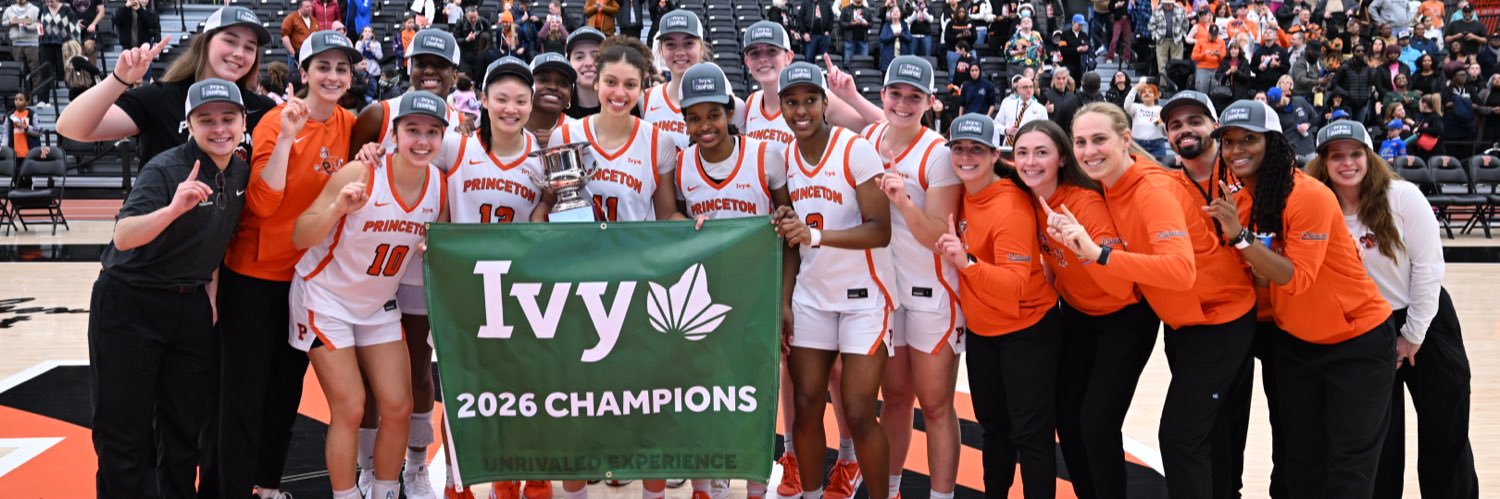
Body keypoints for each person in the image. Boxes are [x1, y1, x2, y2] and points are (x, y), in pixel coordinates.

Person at [1045, 102, 1256, 499]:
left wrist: (1099, 254)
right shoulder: (1113, 185)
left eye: (1100, 140)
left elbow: (1180, 270)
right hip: (1188, 323)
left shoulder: (1152, 191)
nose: (1089, 151)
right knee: (1207, 436)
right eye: (1081, 142)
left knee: (1180, 438)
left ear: (1126, 139)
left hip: (1219, 322)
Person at [1204, 108, 1396, 499]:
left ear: (1272, 142)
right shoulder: (1243, 200)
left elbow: (1295, 277)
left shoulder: (1309, 195)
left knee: (1348, 464)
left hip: (1356, 341)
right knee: (1301, 461)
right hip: (1296, 343)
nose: (1236, 149)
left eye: (1249, 139)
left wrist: (1241, 238)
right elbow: (1258, 275)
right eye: (1228, 141)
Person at [214, 30, 362, 499]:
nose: (333, 76)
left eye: (342, 68)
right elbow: (261, 202)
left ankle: (267, 485)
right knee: (242, 396)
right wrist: (286, 141)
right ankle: (230, 489)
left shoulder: (350, 124)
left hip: (309, 282)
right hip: (256, 277)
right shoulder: (276, 122)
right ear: (304, 73)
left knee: (285, 392)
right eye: (323, 67)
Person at [88, 79, 249, 499]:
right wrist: (173, 209)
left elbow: (220, 237)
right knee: (125, 432)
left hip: (189, 306)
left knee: (183, 431)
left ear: (243, 122)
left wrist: (210, 295)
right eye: (206, 120)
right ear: (188, 125)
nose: (219, 129)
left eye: (228, 118)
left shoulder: (240, 170)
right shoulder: (166, 169)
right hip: (130, 302)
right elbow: (123, 236)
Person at [539, 36, 685, 498]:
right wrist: (537, 232)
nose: (619, 93)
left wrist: (701, 225)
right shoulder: (567, 134)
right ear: (595, 81)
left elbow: (666, 215)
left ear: (644, 87)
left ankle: (653, 492)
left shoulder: (657, 141)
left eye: (630, 84)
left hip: (636, 285)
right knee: (577, 402)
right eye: (610, 82)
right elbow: (548, 205)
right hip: (578, 287)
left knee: (646, 401)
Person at [1304, 122, 1479, 499]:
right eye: (1336, 155)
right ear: (1323, 162)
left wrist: (1413, 335)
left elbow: (1429, 267)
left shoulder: (1401, 196)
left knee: (1444, 428)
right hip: (1365, 330)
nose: (1347, 163)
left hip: (1424, 317)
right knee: (1378, 438)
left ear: (1369, 156)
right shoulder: (1315, 206)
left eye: (1355, 153)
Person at [289, 90, 447, 499]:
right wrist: (338, 209)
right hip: (324, 299)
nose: (422, 140)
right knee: (352, 406)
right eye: (413, 130)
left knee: (398, 407)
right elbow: (300, 234)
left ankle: (384, 491)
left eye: (432, 132)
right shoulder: (359, 174)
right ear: (394, 134)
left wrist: (437, 250)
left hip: (377, 305)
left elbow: (440, 244)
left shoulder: (438, 186)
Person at [667, 60, 793, 499]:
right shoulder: (682, 165)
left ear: (730, 113)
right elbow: (671, 220)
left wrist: (783, 299)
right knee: (704, 389)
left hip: (756, 293)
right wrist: (684, 221)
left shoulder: (765, 155)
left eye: (713, 115)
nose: (705, 126)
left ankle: (756, 478)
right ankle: (708, 478)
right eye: (694, 117)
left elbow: (787, 229)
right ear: (684, 121)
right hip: (704, 296)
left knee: (756, 390)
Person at [769, 60, 894, 499]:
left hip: (864, 297)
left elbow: (881, 229)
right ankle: (811, 493)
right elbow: (788, 239)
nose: (800, 110)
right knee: (804, 407)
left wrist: (815, 235)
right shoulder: (782, 157)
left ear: (825, 103)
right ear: (781, 106)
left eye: (809, 100)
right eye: (791, 102)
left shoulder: (854, 148)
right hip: (812, 297)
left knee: (860, 411)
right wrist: (784, 301)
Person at [346, 27, 462, 499]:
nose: (430, 72)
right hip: (370, 260)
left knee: (417, 366)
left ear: (455, 74)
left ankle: (415, 465)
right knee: (370, 371)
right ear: (407, 65)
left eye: (440, 65)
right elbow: (346, 167)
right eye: (422, 63)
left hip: (415, 264)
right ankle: (368, 465)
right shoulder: (380, 112)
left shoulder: (462, 123)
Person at [931, 113, 1057, 498]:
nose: (966, 156)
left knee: (1030, 434)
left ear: (992, 154)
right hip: (985, 333)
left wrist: (966, 261)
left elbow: (1015, 286)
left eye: (976, 149)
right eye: (959, 148)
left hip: (1027, 330)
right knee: (993, 428)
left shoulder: (1009, 207)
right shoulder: (967, 194)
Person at [854, 56, 963, 499]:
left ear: (930, 102)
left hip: (932, 291)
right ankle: (891, 488)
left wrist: (903, 201)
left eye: (914, 96)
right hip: (888, 292)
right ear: (882, 95)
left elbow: (939, 235)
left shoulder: (939, 155)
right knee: (894, 399)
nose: (903, 103)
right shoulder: (868, 137)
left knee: (936, 406)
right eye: (895, 93)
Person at [57, 5, 273, 190]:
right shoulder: (161, 97)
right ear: (206, 42)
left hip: (222, 236)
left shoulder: (262, 110)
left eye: (249, 48)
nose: (239, 53)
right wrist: (119, 79)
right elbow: (71, 128)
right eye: (230, 41)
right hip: (157, 234)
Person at [643, 10, 745, 152]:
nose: (679, 52)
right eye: (670, 45)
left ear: (701, 48)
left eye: (688, 43)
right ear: (661, 50)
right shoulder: (646, 100)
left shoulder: (732, 107)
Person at [524, 53, 577, 148]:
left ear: (570, 96)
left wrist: (565, 141)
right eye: (543, 80)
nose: (553, 87)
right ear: (527, 87)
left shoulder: (577, 132)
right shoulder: (508, 123)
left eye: (563, 83)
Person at [993, 75, 1047, 146]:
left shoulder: (1041, 109)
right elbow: (996, 124)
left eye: (1031, 87)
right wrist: (1006, 130)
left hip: (1029, 147)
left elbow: (1045, 131)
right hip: (1008, 147)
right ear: (1018, 89)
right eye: (1025, 87)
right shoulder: (1007, 105)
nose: (1029, 90)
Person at [565, 27, 606, 120]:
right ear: (569, 63)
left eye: (596, 56)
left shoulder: (625, 107)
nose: (588, 63)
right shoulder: (556, 111)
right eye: (579, 57)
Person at [1122, 80, 1165, 158]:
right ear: (1141, 96)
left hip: (1157, 145)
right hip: (1137, 145)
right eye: (1144, 92)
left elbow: (1165, 128)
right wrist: (1135, 89)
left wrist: (1160, 123)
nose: (1147, 93)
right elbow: (1126, 105)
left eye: (1150, 92)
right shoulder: (1136, 107)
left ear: (1156, 96)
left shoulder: (1161, 110)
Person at [1151, 1, 1187, 84]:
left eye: (1169, 3)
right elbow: (1151, 25)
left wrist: (1182, 34)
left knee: (1177, 64)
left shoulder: (1180, 10)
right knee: (1162, 65)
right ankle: (1163, 85)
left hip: (1177, 40)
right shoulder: (1157, 11)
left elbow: (1186, 23)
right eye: (1166, 4)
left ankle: (1175, 84)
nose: (1168, 5)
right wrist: (1155, 36)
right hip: (1161, 40)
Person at [282, 1, 316, 69]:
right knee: (295, 77)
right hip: (296, 57)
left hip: (310, 56)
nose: (310, 9)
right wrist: (293, 54)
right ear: (300, 7)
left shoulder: (314, 20)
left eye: (310, 6)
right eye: (307, 7)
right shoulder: (291, 18)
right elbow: (285, 37)